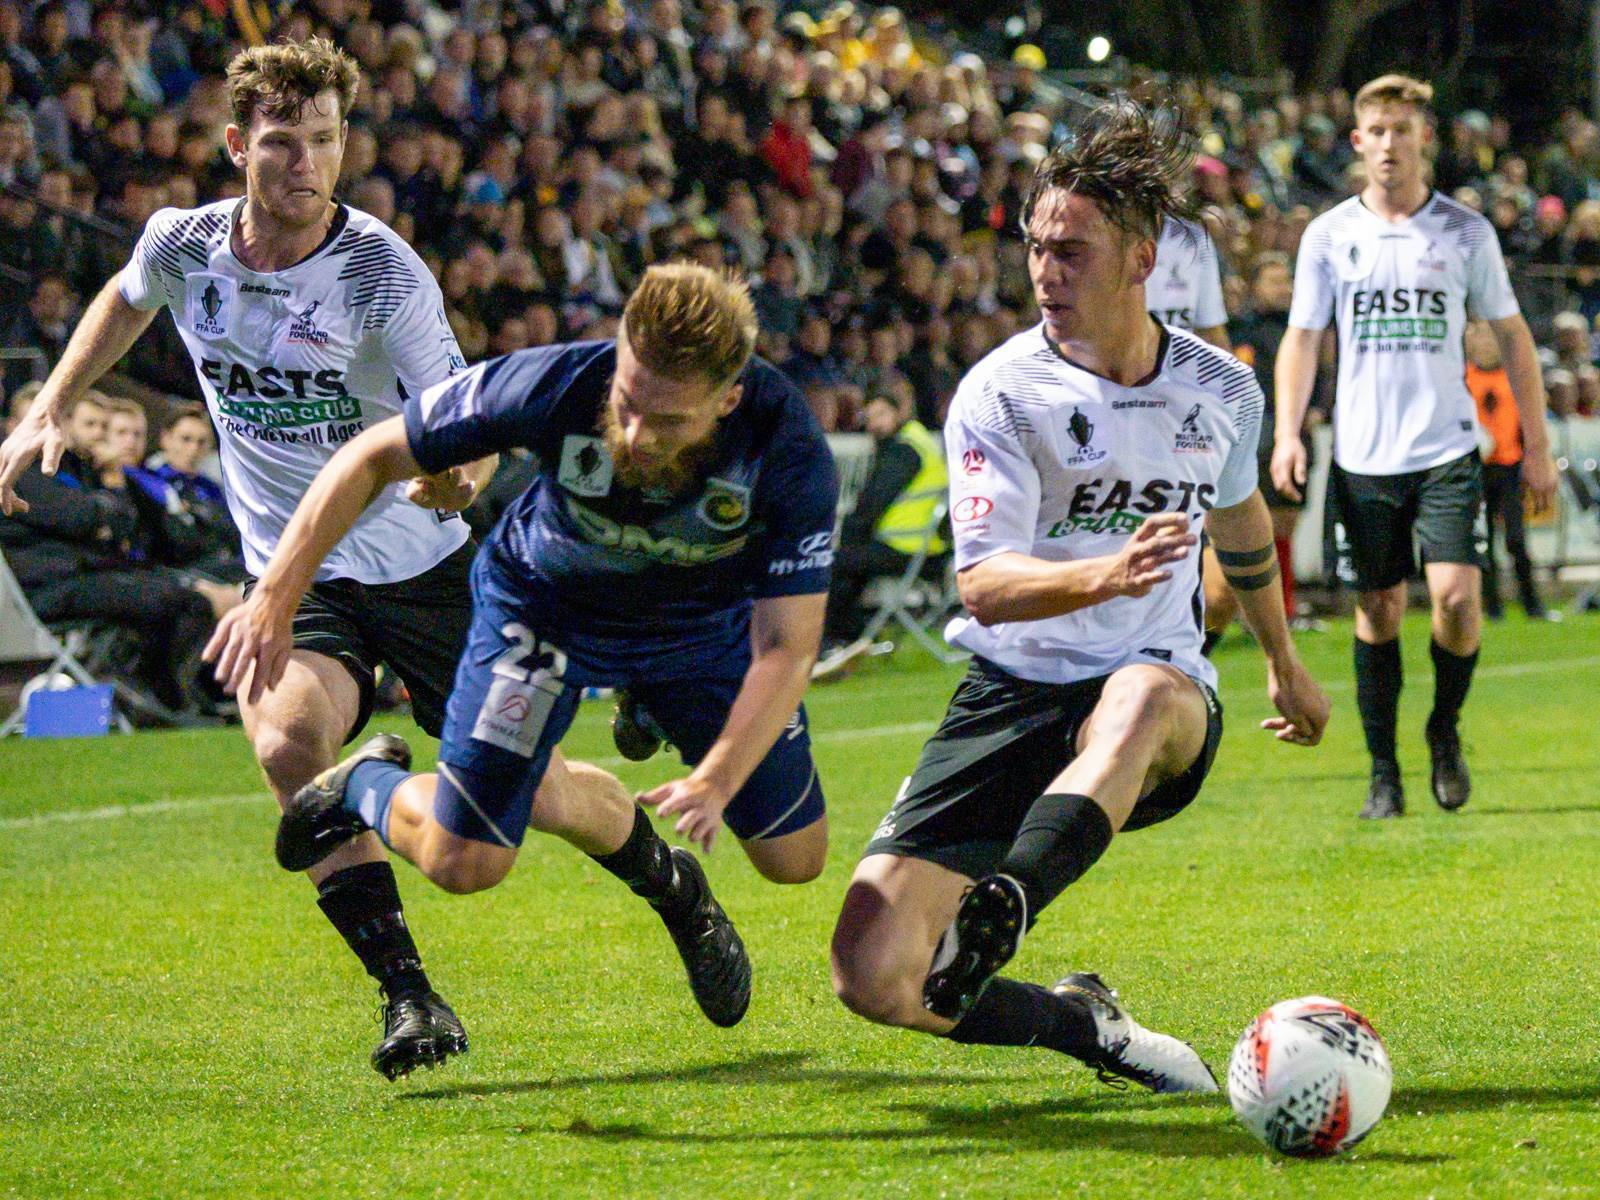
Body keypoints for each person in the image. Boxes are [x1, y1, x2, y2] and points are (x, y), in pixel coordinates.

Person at [0, 38, 492, 1079]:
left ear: (344, 144)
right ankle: (408, 996)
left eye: (323, 140)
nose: (305, 162)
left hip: (421, 569)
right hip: (296, 576)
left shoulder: (377, 268)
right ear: (236, 146)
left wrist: (458, 478)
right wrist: (51, 406)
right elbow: (125, 299)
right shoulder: (185, 244)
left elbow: (464, 420)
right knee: (282, 745)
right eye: (281, 142)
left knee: (490, 838)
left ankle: (654, 868)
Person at [829, 99, 1330, 1094]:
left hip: (1157, 702)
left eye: (1072, 251)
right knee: (875, 975)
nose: (1046, 273)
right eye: (1037, 249)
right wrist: (1099, 572)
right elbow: (981, 584)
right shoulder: (1000, 393)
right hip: (1009, 695)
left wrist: (1282, 660)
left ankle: (1010, 899)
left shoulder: (1221, 392)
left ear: (1142, 261)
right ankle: (1080, 1026)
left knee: (1141, 691)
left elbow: (1239, 532)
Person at [204, 262, 838, 1031]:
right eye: (628, 404)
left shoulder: (790, 450)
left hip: (700, 635)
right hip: (543, 618)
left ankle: (655, 714)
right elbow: (371, 455)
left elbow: (786, 650)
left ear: (729, 399)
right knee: (463, 863)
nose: (635, 436)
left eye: (668, 422)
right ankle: (363, 783)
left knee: (794, 859)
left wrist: (717, 779)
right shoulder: (562, 381)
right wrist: (275, 591)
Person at [1273, 74, 1557, 820]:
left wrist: (1536, 443)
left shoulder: (1465, 233)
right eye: (1378, 130)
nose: (1391, 143)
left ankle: (1443, 728)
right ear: (1359, 141)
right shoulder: (1330, 235)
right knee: (1377, 608)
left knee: (1458, 603)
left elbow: (1516, 338)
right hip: (1364, 457)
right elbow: (1303, 339)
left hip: (1446, 449)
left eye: (1404, 129)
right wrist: (1287, 431)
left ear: (1424, 138)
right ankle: (1383, 773)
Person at [1145, 212, 1237, 650]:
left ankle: (1183, 670)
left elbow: (1211, 331)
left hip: (1186, 429)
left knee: (1220, 591)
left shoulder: (1191, 237)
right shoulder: (1100, 228)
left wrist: (1231, 404)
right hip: (1122, 431)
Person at [818, 389, 948, 669]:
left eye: (881, 414)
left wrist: (847, 539)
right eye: (869, 416)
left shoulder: (903, 450)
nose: (874, 423)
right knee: (848, 568)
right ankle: (854, 637)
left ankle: (834, 642)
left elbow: (872, 504)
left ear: (898, 413)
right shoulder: (920, 441)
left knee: (829, 564)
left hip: (907, 548)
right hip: (921, 547)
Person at [1465, 320, 1555, 621]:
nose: (1487, 343)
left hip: (1508, 467)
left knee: (1516, 539)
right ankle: (1492, 608)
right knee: (1483, 541)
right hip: (1476, 471)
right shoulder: (1463, 377)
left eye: (1491, 336)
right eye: (1480, 336)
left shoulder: (1514, 378)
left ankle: (1532, 603)